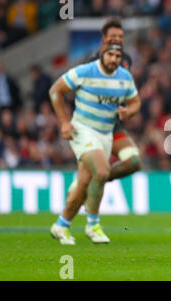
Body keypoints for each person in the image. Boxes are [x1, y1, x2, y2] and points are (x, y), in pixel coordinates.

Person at [49, 40, 140, 245]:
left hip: (107, 132)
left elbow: (136, 102)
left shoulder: (124, 77)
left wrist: (129, 111)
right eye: (111, 55)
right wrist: (64, 123)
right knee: (100, 170)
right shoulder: (86, 71)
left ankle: (61, 225)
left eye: (118, 57)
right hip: (83, 129)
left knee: (84, 184)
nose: (115, 60)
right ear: (102, 54)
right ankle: (93, 225)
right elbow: (55, 91)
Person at [66, 17, 142, 228]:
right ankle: (69, 221)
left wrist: (128, 109)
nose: (117, 39)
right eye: (113, 37)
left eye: (120, 36)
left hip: (113, 126)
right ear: (104, 39)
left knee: (134, 161)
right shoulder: (93, 62)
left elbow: (128, 92)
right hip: (92, 127)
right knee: (84, 181)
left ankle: (97, 180)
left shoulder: (125, 59)